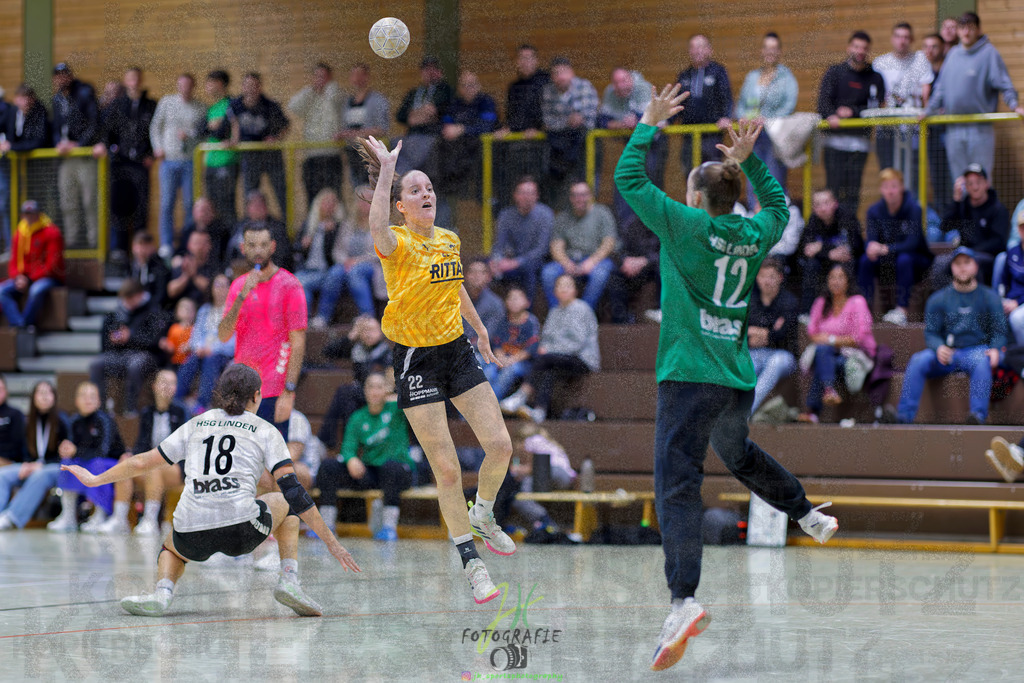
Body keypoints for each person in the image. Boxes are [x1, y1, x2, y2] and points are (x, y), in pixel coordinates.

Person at [614, 84, 839, 672]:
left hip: (688, 375)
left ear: (694, 195)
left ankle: (684, 599)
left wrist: (649, 121)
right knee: (738, 453)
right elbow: (780, 210)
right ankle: (806, 513)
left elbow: (629, 179)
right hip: (735, 377)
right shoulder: (751, 234)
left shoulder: (684, 225)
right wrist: (749, 162)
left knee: (677, 483)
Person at [60, 363, 360, 617]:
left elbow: (142, 462)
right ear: (256, 396)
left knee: (170, 546)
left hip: (192, 533)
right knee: (285, 503)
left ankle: (163, 593)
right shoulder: (266, 430)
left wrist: (96, 479)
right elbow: (295, 490)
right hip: (241, 532)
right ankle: (290, 580)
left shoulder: (198, 423)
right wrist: (332, 543)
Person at [357, 133, 516, 604]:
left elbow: (457, 286)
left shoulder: (449, 239)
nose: (425, 193)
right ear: (401, 206)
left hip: (456, 350)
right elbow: (376, 226)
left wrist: (481, 331)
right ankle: (472, 564)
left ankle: (483, 514)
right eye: (414, 190)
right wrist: (388, 169)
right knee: (446, 471)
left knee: (501, 446)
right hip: (414, 359)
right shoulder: (396, 242)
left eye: (428, 188)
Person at [892, 247, 1006, 425]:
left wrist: (996, 349)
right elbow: (931, 332)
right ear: (951, 267)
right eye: (957, 263)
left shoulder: (990, 297)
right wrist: (938, 347)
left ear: (975, 267)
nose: (962, 268)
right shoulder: (937, 299)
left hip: (977, 351)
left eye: (967, 263)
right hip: (948, 353)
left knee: (982, 361)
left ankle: (977, 417)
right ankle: (904, 417)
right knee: (918, 360)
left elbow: (999, 330)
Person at [219, 222, 307, 440]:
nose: (258, 250)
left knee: (270, 465)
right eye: (252, 245)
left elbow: (298, 342)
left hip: (274, 390)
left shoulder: (289, 285)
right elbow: (223, 335)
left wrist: (289, 391)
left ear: (273, 247)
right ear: (243, 248)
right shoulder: (238, 286)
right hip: (242, 389)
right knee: (243, 464)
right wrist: (241, 296)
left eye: (263, 245)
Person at [922, 12, 1024, 186]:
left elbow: (1005, 84)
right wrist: (928, 111)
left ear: (978, 29)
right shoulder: (953, 54)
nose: (966, 33)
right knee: (959, 181)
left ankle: (982, 215)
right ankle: (963, 214)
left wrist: (1015, 105)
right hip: (953, 129)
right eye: (963, 28)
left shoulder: (989, 54)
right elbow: (940, 89)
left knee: (981, 181)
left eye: (971, 28)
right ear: (958, 31)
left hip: (980, 130)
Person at [315, 373, 414, 542]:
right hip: (372, 471)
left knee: (390, 468)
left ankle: (389, 528)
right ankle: (326, 525)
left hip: (400, 471)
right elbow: (348, 448)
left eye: (379, 387)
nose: (375, 391)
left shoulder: (397, 410)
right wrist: (351, 459)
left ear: (387, 390)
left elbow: (415, 400)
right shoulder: (358, 417)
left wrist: (398, 397)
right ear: (365, 391)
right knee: (328, 467)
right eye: (371, 387)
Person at [95, 370, 189, 535]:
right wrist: (132, 456)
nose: (168, 387)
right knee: (125, 464)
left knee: (155, 467)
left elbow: (186, 448)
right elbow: (141, 445)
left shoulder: (182, 412)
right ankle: (120, 519)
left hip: (176, 468)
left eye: (172, 383)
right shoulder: (147, 412)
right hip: (152, 465)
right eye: (164, 382)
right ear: (154, 386)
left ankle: (150, 521)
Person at [499, 274, 599, 423]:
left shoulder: (581, 309)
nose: (564, 289)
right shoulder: (554, 311)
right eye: (560, 285)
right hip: (557, 359)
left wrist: (550, 350)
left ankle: (522, 395)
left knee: (545, 359)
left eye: (568, 285)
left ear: (575, 290)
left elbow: (578, 342)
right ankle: (540, 411)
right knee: (548, 371)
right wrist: (547, 348)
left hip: (582, 358)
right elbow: (545, 338)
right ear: (554, 291)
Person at [817, 31, 886, 216]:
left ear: (868, 50)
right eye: (856, 47)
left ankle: (849, 234)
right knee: (834, 189)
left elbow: (876, 106)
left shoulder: (875, 77)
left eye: (864, 48)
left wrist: (852, 113)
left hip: (859, 145)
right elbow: (822, 103)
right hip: (834, 143)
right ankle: (833, 231)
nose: (860, 51)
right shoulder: (834, 72)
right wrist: (832, 115)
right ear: (849, 48)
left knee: (853, 191)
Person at [798, 264, 876, 422]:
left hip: (855, 355)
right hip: (829, 354)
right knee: (823, 353)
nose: (836, 281)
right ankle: (828, 390)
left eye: (840, 277)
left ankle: (814, 412)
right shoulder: (821, 302)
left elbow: (858, 338)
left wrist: (831, 339)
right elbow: (812, 333)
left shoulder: (857, 302)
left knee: (824, 357)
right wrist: (835, 341)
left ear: (848, 281)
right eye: (832, 277)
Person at [49, 381, 128, 533]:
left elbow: (102, 451)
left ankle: (99, 515)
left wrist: (76, 451)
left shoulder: (104, 420)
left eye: (92, 396)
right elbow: (71, 448)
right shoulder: (74, 421)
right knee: (67, 464)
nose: (88, 399)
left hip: (109, 463)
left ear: (99, 401)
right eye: (84, 396)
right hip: (87, 460)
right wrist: (65, 449)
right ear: (76, 401)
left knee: (97, 464)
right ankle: (68, 516)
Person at [857, 168, 933, 325]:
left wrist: (886, 249)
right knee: (865, 260)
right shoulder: (873, 211)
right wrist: (871, 248)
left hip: (917, 260)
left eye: (894, 186)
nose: (890, 191)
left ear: (902, 187)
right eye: (886, 187)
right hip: (887, 260)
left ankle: (901, 311)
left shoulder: (914, 209)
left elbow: (912, 243)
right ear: (881, 189)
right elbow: (871, 241)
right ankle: (863, 311)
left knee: (904, 259)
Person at [89, 279, 171, 415]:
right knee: (96, 364)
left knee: (136, 364)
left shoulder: (154, 311)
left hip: (147, 356)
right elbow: (104, 345)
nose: (126, 303)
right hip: (120, 355)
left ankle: (130, 409)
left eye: (130, 298)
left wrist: (130, 338)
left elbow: (156, 342)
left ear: (139, 295)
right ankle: (100, 409)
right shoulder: (115, 314)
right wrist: (114, 340)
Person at [295, 189, 375, 327]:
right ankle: (310, 323)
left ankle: (368, 319)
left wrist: (356, 261)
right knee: (307, 284)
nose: (364, 204)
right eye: (361, 200)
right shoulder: (348, 224)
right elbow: (338, 250)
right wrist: (345, 261)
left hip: (368, 266)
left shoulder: (381, 224)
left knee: (350, 273)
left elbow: (379, 252)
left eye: (368, 200)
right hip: (328, 267)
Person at [99, 67, 157, 253]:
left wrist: (150, 153)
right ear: (125, 80)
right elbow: (106, 132)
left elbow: (155, 132)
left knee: (140, 208)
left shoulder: (150, 105)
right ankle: (120, 250)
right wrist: (111, 150)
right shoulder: (116, 105)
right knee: (119, 206)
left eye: (136, 78)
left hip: (140, 164)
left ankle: (141, 250)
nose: (133, 81)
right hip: (120, 164)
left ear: (140, 80)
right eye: (129, 77)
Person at [151, 72, 207, 258]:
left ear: (193, 87)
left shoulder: (200, 108)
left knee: (190, 204)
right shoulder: (166, 103)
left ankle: (188, 241)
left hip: (190, 161)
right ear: (178, 85)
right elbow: (155, 128)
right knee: (167, 203)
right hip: (168, 161)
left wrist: (190, 135)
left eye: (189, 85)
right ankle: (166, 244)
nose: (185, 88)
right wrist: (158, 147)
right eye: (182, 85)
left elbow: (203, 133)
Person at [318, 314, 393, 450]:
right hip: (359, 394)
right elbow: (328, 353)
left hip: (378, 394)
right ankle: (346, 446)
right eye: (365, 330)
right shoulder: (357, 350)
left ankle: (327, 440)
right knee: (348, 401)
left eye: (373, 330)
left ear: (381, 332)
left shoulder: (385, 352)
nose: (369, 334)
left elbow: (388, 381)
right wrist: (352, 335)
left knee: (345, 392)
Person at [735, 32, 798, 193]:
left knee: (774, 177)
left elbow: (789, 105)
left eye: (774, 48)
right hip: (752, 134)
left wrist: (767, 119)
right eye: (767, 48)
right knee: (753, 177)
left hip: (774, 135)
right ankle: (755, 216)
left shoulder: (786, 77)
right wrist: (744, 117)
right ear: (762, 51)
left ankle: (775, 216)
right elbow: (741, 104)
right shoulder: (752, 77)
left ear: (779, 52)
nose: (770, 52)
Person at [0, 381, 67, 531]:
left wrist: (40, 465)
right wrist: (27, 464)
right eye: (40, 393)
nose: (44, 397)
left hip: (56, 467)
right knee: (3, 474)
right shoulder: (27, 422)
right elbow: (24, 450)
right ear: (33, 397)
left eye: (48, 392)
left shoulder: (62, 421)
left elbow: (65, 455)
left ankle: (12, 517)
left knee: (40, 474)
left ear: (54, 397)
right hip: (33, 465)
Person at [540, 182, 618, 310]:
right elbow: (556, 246)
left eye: (583, 195)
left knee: (599, 275)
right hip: (569, 260)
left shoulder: (602, 213)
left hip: (597, 260)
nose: (579, 199)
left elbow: (608, 243)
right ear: (570, 198)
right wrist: (566, 263)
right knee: (548, 273)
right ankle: (558, 312)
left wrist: (591, 262)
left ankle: (583, 313)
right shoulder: (562, 217)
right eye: (575, 195)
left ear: (590, 196)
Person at [872, 23, 932, 177]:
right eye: (898, 36)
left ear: (911, 39)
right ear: (892, 39)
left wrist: (927, 111)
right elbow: (875, 95)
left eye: (906, 37)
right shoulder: (880, 63)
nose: (902, 41)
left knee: (913, 173)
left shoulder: (920, 60)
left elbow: (926, 90)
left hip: (913, 127)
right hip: (887, 128)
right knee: (887, 172)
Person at [493, 45, 550, 208]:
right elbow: (512, 117)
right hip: (517, 141)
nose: (525, 62)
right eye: (522, 58)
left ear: (536, 61)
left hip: (538, 143)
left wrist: (540, 129)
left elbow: (549, 113)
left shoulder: (546, 82)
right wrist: (506, 128)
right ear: (517, 62)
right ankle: (499, 202)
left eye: (529, 58)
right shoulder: (514, 87)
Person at [51, 62, 100, 249]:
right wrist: (59, 143)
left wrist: (79, 144)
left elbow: (94, 123)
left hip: (84, 155)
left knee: (89, 201)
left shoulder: (85, 92)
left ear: (70, 76)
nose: (61, 79)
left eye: (64, 74)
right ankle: (72, 242)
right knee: (67, 202)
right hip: (66, 158)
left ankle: (93, 242)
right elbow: (56, 127)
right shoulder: (56, 99)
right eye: (58, 75)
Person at [935, 163, 1009, 286]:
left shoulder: (998, 209)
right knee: (940, 263)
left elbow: (998, 242)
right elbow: (945, 227)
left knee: (973, 263)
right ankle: (944, 302)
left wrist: (971, 252)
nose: (975, 187)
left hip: (987, 257)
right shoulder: (962, 206)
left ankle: (976, 303)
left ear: (987, 183)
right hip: (962, 254)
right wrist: (956, 201)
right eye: (970, 183)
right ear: (965, 186)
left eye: (978, 182)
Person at [540, 57, 599, 208]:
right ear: (552, 77)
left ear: (572, 73)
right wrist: (568, 121)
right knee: (559, 188)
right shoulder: (547, 92)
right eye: (556, 73)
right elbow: (547, 122)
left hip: (585, 143)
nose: (561, 77)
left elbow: (590, 119)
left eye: (564, 72)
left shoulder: (585, 87)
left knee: (587, 184)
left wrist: (567, 122)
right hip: (559, 147)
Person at [230, 73, 290, 215]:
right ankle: (249, 228)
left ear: (259, 87)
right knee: (249, 194)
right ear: (243, 87)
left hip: (270, 154)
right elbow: (235, 124)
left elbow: (285, 125)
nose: (251, 89)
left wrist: (275, 138)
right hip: (250, 155)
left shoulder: (270, 105)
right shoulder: (236, 105)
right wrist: (234, 139)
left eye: (254, 86)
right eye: (248, 85)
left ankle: (286, 227)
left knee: (281, 192)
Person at [673, 35, 733, 173]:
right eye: (693, 47)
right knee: (690, 174)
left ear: (709, 50)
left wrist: (726, 117)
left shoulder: (718, 72)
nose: (697, 51)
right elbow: (676, 103)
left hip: (711, 134)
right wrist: (666, 121)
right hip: (689, 135)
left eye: (700, 47)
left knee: (712, 176)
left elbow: (727, 98)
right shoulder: (684, 75)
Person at [0, 200, 65, 329]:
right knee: (2, 291)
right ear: (22, 216)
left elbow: (52, 265)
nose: (29, 217)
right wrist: (18, 277)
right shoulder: (19, 233)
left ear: (39, 214)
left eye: (32, 214)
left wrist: (29, 279)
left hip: (49, 278)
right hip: (24, 278)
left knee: (36, 290)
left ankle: (27, 323)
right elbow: (13, 262)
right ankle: (19, 325)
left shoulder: (52, 232)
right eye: (26, 214)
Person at [1, 85, 50, 252]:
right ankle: (13, 243)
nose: (24, 101)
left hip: (36, 169)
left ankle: (38, 241)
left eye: (28, 98)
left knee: (35, 203)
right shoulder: (12, 112)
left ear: (33, 99)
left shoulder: (40, 112)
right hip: (15, 168)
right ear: (15, 99)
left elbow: (38, 141)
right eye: (21, 97)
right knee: (10, 203)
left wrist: (12, 147)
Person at [798, 189, 864, 313]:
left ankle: (849, 310)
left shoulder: (847, 217)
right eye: (818, 205)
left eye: (826, 203)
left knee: (845, 267)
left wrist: (820, 248)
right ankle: (807, 312)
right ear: (814, 208)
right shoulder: (813, 220)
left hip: (846, 262)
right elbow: (805, 249)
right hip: (824, 262)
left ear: (835, 203)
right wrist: (829, 252)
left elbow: (854, 247)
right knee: (810, 265)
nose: (822, 208)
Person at [176, 273, 235, 412]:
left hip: (222, 353)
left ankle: (203, 404)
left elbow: (234, 340)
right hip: (202, 350)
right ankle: (177, 400)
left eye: (224, 285)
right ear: (211, 288)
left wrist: (213, 348)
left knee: (211, 360)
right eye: (217, 285)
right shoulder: (204, 310)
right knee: (191, 360)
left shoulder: (234, 311)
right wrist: (198, 347)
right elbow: (196, 335)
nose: (221, 289)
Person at [488, 176, 553, 302]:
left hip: (535, 262)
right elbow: (499, 244)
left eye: (530, 193)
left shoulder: (546, 215)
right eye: (522, 193)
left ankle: (526, 316)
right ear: (515, 195)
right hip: (509, 261)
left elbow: (541, 249)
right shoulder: (506, 215)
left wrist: (516, 262)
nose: (526, 197)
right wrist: (496, 260)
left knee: (528, 270)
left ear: (537, 196)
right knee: (483, 267)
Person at [747, 258, 798, 415]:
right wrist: (769, 332)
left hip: (783, 355)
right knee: (745, 365)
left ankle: (746, 412)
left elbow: (781, 335)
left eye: (771, 276)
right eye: (763, 276)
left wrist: (755, 331)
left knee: (775, 363)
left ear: (780, 278)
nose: (767, 281)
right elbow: (741, 332)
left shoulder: (789, 301)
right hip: (755, 353)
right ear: (757, 277)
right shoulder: (750, 300)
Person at [287, 62, 344, 201]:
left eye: (324, 76)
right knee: (312, 196)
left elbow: (336, 102)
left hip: (332, 154)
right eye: (317, 76)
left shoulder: (337, 94)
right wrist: (310, 91)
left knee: (334, 196)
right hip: (311, 154)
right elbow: (293, 106)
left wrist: (329, 88)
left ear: (330, 78)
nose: (320, 80)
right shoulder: (309, 95)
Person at [437, 71, 498, 200]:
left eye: (471, 85)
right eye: (464, 85)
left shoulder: (486, 102)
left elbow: (487, 126)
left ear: (478, 86)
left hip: (480, 149)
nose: (468, 89)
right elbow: (446, 127)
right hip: (456, 150)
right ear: (459, 88)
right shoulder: (454, 104)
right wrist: (451, 130)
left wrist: (462, 129)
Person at [337, 63, 391, 190]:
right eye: (354, 74)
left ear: (367, 77)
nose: (357, 78)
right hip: (352, 152)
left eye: (360, 74)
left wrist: (355, 134)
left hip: (370, 153)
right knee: (356, 188)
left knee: (373, 188)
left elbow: (382, 128)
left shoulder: (378, 100)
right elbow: (346, 126)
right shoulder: (347, 103)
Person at [486, 287, 540, 401]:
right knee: (488, 371)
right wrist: (501, 358)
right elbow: (496, 343)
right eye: (510, 298)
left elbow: (532, 348)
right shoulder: (502, 321)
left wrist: (511, 360)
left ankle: (491, 405)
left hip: (522, 362)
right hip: (501, 359)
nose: (513, 301)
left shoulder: (531, 322)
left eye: (517, 298)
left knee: (509, 371)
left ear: (527, 302)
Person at [920, 33, 953, 218]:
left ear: (943, 48)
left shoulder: (949, 69)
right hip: (929, 132)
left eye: (934, 46)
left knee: (951, 175)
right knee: (937, 177)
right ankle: (942, 218)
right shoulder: (923, 72)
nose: (930, 51)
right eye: (926, 46)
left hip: (950, 129)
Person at [202, 70, 240, 226]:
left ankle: (231, 246)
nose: (207, 87)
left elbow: (224, 130)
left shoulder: (232, 104)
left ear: (219, 83)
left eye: (209, 83)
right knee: (212, 208)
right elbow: (202, 129)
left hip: (226, 161)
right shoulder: (212, 108)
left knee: (226, 206)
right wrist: (211, 126)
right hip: (210, 163)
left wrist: (215, 127)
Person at [226, 190, 293, 272]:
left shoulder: (277, 227)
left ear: (266, 207)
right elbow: (230, 252)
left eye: (260, 204)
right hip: (240, 269)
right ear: (248, 208)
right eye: (254, 205)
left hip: (269, 270)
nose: (257, 208)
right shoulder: (239, 226)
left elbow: (282, 256)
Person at [166, 228, 220, 310]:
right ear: (189, 245)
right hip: (182, 313)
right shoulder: (182, 264)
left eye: (204, 243)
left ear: (210, 246)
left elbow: (214, 291)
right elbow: (171, 291)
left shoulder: (215, 265)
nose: (200, 247)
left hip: (206, 310)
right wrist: (186, 275)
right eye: (197, 243)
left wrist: (194, 276)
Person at [998, 214, 1024, 343]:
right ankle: (1002, 354)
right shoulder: (1013, 252)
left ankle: (1021, 356)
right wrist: (1002, 300)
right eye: (1023, 227)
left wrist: (1017, 302)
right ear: (1019, 230)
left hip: (1021, 302)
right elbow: (1004, 281)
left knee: (1017, 318)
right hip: (1011, 299)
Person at [129, 232, 171, 310]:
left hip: (153, 308)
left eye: (144, 246)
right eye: (137, 246)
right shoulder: (132, 266)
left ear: (152, 247)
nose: (140, 250)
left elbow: (161, 295)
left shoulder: (160, 267)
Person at [159, 297, 196, 369]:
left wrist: (189, 347)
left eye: (189, 309)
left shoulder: (195, 329)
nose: (186, 311)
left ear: (194, 312)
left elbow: (196, 345)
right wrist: (165, 345)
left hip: (188, 362)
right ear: (177, 311)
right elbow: (171, 348)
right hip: (174, 362)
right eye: (182, 308)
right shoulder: (174, 328)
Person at [0, 375, 25, 467]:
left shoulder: (15, 414)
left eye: (1, 389)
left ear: (6, 391)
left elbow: (17, 445)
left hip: (10, 462)